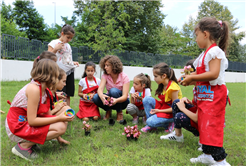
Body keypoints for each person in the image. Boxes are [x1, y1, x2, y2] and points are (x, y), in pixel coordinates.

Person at [181, 17, 230, 166]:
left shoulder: (215, 52)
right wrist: (188, 78)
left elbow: (213, 74)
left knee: (211, 128)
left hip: (214, 97)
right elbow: (201, 76)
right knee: (204, 125)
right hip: (205, 97)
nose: (195, 39)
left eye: (196, 35)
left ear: (205, 34)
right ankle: (207, 155)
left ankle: (221, 162)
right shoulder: (203, 55)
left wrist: (191, 79)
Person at [5, 59, 74, 161]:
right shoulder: (34, 89)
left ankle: (31, 142)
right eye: (56, 75)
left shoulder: (44, 90)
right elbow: (32, 121)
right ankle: (23, 147)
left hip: (25, 121)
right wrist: (59, 118)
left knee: (62, 121)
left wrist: (59, 136)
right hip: (16, 126)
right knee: (60, 127)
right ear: (50, 75)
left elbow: (48, 115)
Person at [160, 59, 199, 143]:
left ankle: (204, 140)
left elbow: (199, 118)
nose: (184, 76)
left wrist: (183, 109)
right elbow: (199, 106)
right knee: (176, 102)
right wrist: (189, 101)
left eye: (187, 73)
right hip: (198, 115)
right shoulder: (196, 88)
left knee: (179, 116)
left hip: (202, 121)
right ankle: (178, 135)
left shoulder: (203, 91)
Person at [141, 62, 182, 133]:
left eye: (156, 76)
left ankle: (170, 122)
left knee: (149, 121)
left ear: (164, 76)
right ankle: (152, 126)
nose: (154, 79)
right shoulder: (163, 84)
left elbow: (175, 108)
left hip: (171, 112)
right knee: (146, 99)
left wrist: (159, 111)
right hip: (164, 106)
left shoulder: (173, 88)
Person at [48, 24, 79, 106]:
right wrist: (55, 49)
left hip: (69, 71)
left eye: (71, 38)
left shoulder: (68, 45)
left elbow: (67, 58)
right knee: (59, 91)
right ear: (62, 34)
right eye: (68, 37)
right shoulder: (54, 42)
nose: (69, 40)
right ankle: (58, 110)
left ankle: (67, 110)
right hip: (58, 71)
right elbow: (47, 57)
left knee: (68, 93)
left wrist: (73, 62)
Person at [92, 55, 130, 122]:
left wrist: (116, 100)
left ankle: (119, 112)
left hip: (123, 102)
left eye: (107, 65)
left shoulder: (124, 76)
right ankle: (108, 110)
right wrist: (101, 96)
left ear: (114, 65)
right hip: (111, 100)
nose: (105, 67)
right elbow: (100, 89)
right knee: (95, 97)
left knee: (113, 91)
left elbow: (125, 96)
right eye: (105, 65)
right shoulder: (105, 75)